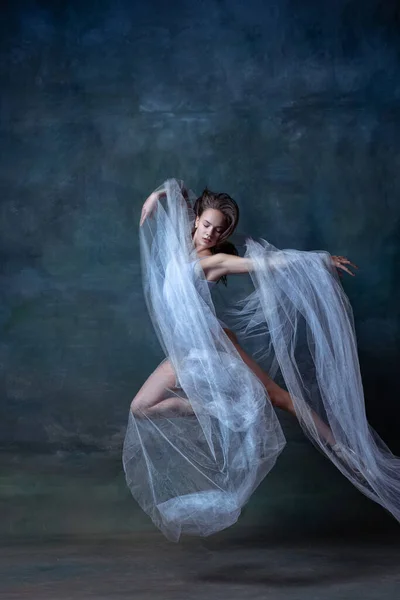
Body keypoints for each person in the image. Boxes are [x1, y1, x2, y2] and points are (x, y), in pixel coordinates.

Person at [123, 179, 400, 541]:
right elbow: (179, 193)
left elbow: (268, 263)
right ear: (194, 222)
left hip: (215, 346)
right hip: (184, 353)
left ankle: (346, 449)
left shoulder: (214, 261)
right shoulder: (178, 247)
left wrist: (319, 261)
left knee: (277, 396)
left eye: (219, 230)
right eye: (206, 224)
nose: (210, 233)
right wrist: (155, 196)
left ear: (225, 236)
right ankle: (213, 408)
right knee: (142, 407)